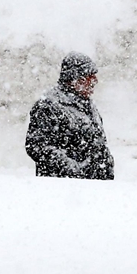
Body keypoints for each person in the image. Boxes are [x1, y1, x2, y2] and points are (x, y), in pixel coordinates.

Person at [25, 51, 114, 180]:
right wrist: (71, 169)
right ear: (75, 78)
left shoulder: (89, 106)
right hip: (62, 188)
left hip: (95, 188)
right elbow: (37, 146)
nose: (95, 81)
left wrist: (106, 166)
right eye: (90, 76)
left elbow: (99, 144)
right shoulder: (49, 105)